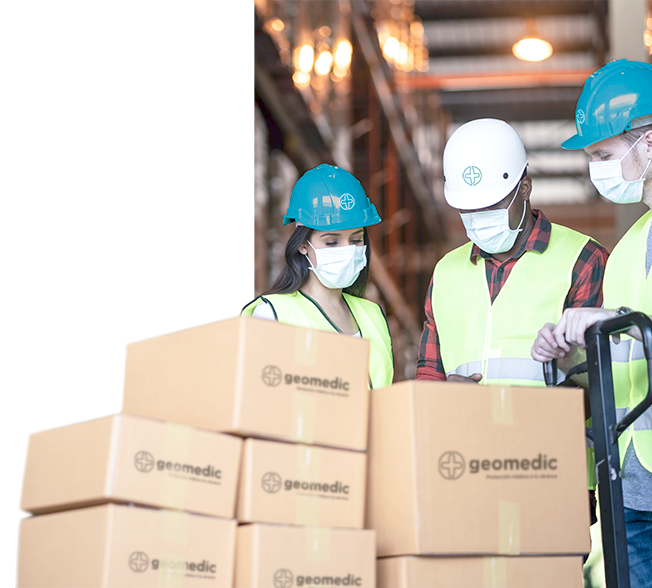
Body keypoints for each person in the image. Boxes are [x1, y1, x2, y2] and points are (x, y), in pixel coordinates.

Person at [531, 59, 652, 587]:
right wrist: (572, 357)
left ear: (648, 142)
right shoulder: (626, 250)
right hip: (631, 480)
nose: (595, 169)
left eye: (603, 154)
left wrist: (618, 320)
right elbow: (621, 364)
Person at [242, 163, 394, 390]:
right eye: (331, 242)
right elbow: (259, 398)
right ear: (303, 244)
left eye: (356, 240)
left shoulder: (373, 315)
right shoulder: (273, 314)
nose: (347, 250)